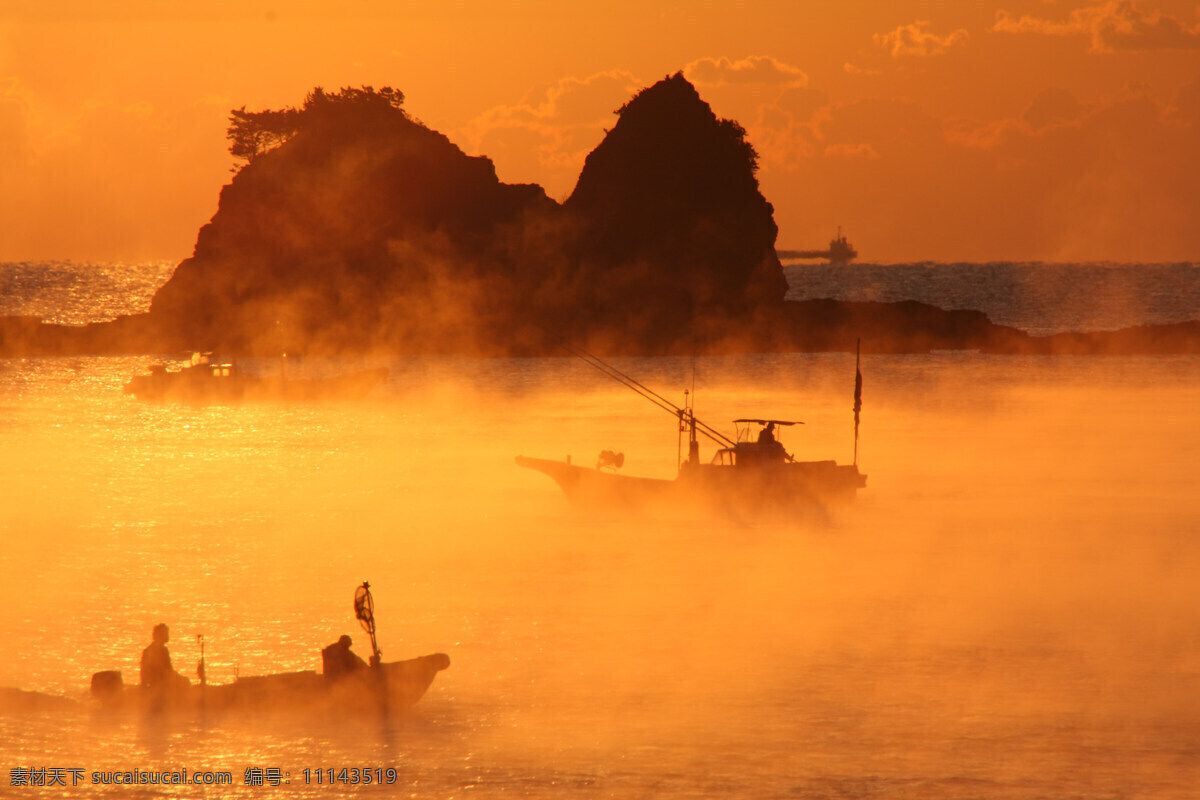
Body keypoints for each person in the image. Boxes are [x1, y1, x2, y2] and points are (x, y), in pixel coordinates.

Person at [140, 623, 189, 691]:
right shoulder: (159, 650)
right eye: (166, 633)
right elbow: (167, 670)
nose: (168, 636)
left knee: (184, 680)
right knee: (185, 682)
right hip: (159, 682)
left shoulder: (159, 650)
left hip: (159, 681)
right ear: (160, 635)